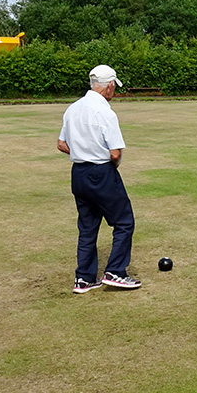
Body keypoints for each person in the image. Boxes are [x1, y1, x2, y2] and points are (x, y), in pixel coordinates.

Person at [58, 64, 141, 292]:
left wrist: (81, 153)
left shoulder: (72, 109)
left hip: (78, 174)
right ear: (109, 86)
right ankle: (115, 271)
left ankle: (84, 278)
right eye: (114, 87)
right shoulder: (105, 112)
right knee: (124, 222)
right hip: (101, 173)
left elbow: (61, 144)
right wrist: (105, 163)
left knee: (87, 226)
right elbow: (115, 153)